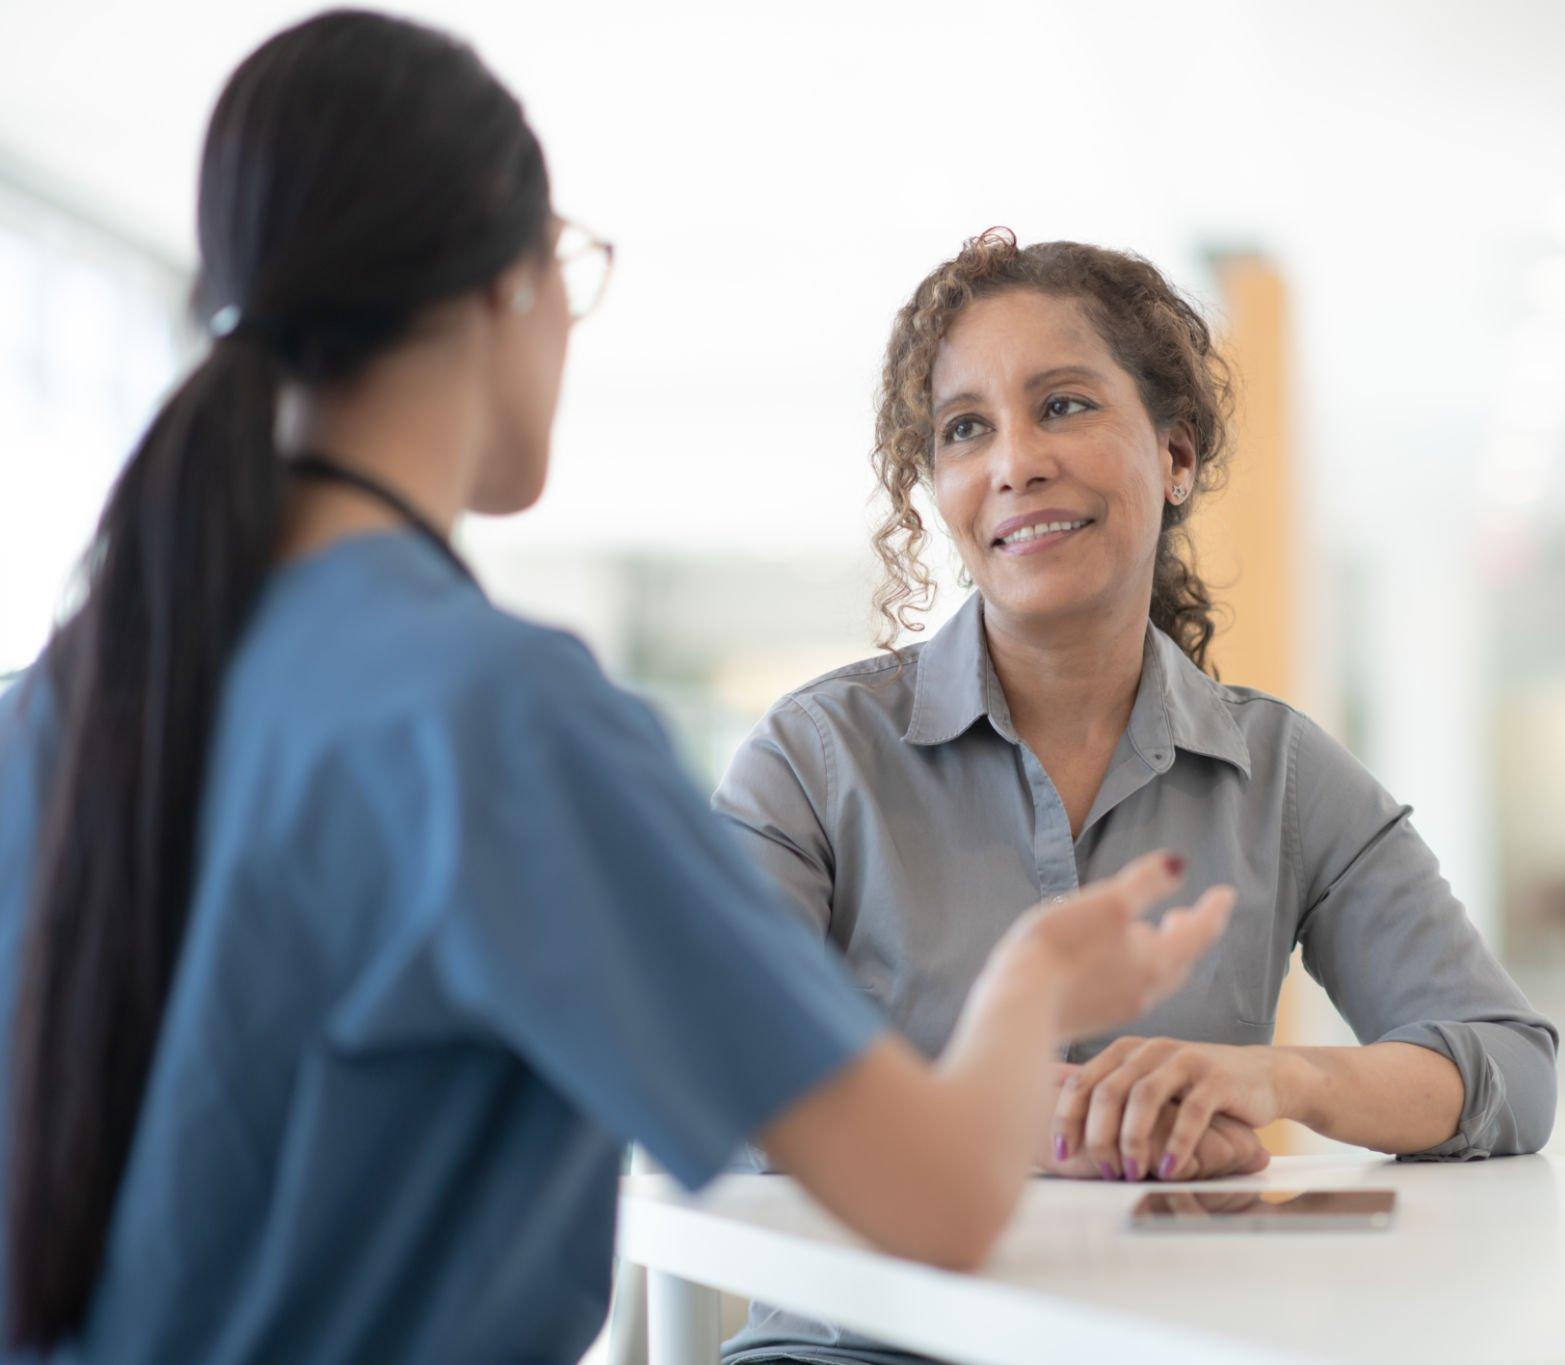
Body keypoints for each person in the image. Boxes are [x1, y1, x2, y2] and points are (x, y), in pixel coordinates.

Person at [0, 19, 1234, 1363]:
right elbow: (933, 1193)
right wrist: (1042, 980)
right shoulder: (500, 721)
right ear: (506, 285)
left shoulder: (66, 701)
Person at [713, 230, 1558, 1363]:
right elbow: (713, 1081)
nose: (1013, 460)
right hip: (855, 1349)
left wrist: (1279, 1079)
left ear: (1172, 456)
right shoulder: (813, 758)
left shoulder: (1285, 775)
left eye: (1061, 405)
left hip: (1174, 1340)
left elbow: (1505, 1067)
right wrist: (1039, 1127)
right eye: (965, 428)